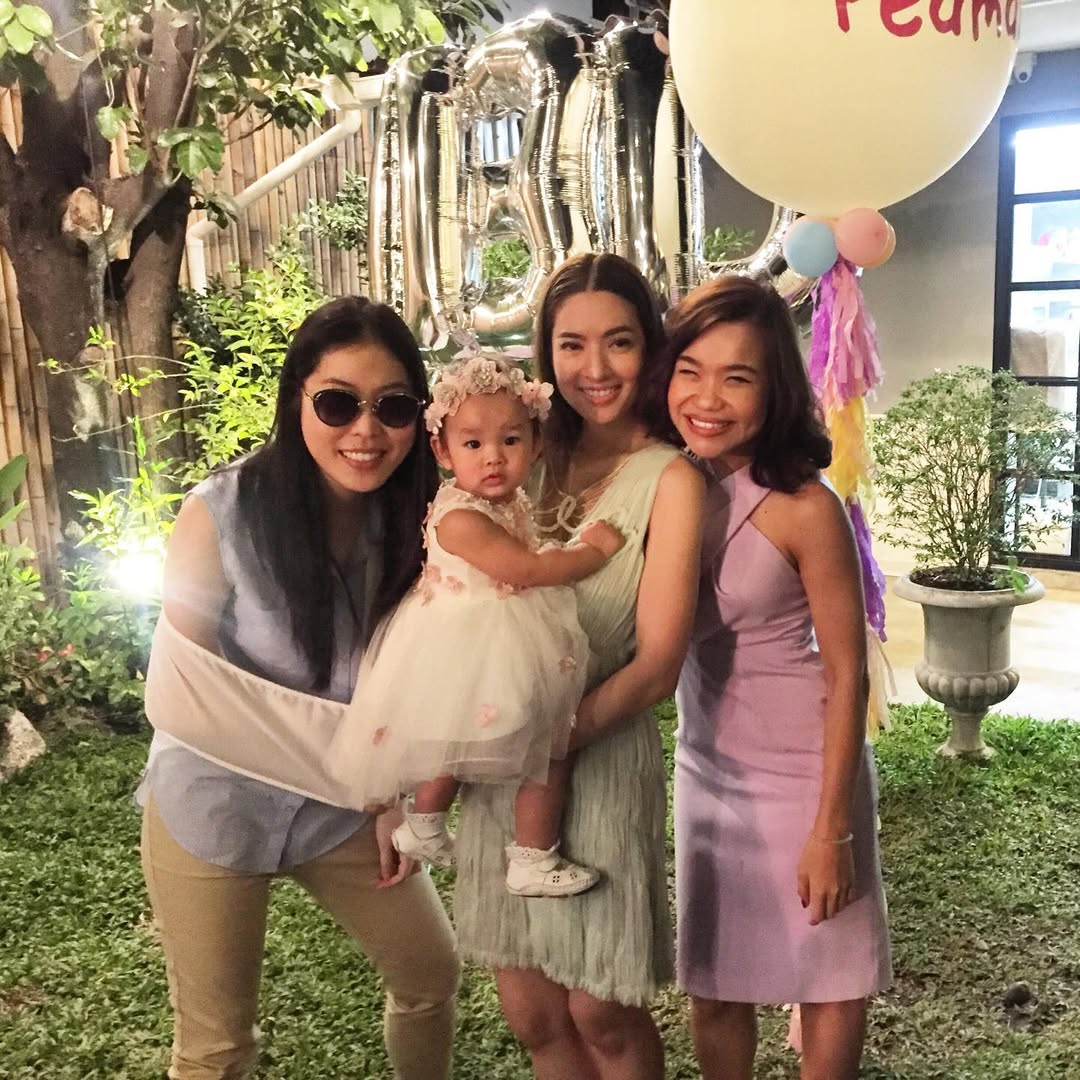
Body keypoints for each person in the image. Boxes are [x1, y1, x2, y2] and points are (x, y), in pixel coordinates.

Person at [138, 296, 460, 1080]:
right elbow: (184, 692)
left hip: (344, 807)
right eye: (338, 403)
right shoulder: (219, 514)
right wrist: (371, 781)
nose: (366, 432)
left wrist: (394, 796)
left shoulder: (423, 521)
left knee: (431, 975)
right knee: (216, 1048)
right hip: (214, 802)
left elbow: (423, 672)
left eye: (393, 407)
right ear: (296, 401)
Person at [453, 253, 706, 1080]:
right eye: (572, 345)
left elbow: (658, 665)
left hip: (593, 751)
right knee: (531, 1012)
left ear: (651, 347)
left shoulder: (671, 477)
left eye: (619, 342)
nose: (595, 368)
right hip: (498, 759)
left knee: (602, 1012)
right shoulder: (517, 454)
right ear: (546, 353)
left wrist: (552, 740)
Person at [665, 275, 892, 1080]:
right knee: (714, 987)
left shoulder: (805, 505)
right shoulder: (666, 483)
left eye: (737, 377)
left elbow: (848, 669)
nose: (708, 399)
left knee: (831, 978)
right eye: (689, 370)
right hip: (706, 769)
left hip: (807, 772)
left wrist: (832, 828)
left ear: (775, 390)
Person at [336, 349, 625, 898]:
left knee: (461, 742)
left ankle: (424, 826)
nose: (493, 457)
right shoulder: (461, 517)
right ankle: (531, 857)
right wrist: (592, 552)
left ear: (535, 445)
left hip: (483, 636)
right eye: (472, 444)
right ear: (442, 451)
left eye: (510, 441)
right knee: (548, 743)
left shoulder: (503, 501)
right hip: (477, 640)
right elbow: (525, 569)